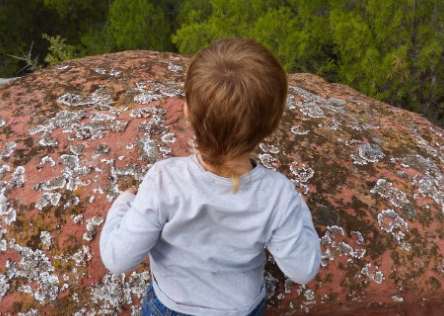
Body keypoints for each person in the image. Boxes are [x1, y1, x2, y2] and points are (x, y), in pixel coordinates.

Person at [100, 38, 321, 316]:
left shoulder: (162, 180)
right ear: (273, 124)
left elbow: (117, 259)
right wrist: (297, 207)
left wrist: (123, 202)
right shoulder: (278, 195)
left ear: (188, 113)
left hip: (168, 307)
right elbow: (303, 269)